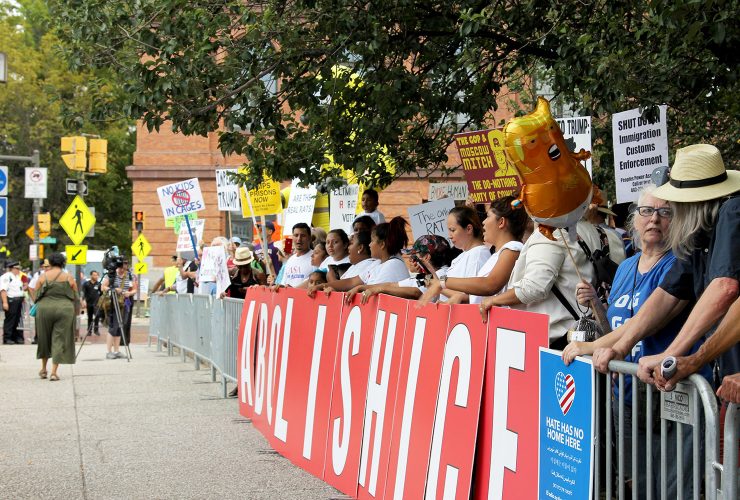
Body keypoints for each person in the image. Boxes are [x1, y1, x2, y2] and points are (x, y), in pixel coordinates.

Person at [563, 187, 707, 498]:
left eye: (665, 212)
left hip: (666, 392)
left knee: (671, 487)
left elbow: (638, 325)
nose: (654, 219)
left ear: (677, 220)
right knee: (639, 484)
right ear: (634, 219)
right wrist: (595, 305)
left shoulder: (677, 266)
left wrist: (586, 348)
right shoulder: (627, 265)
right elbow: (612, 326)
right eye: (646, 211)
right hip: (626, 394)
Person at [589, 145, 739, 389]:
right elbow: (665, 297)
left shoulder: (732, 211)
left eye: (673, 205)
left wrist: (673, 354)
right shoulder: (698, 240)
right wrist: (620, 347)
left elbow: (725, 287)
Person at [479, 215, 593, 348]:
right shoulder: (578, 229)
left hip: (560, 337)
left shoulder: (547, 234)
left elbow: (533, 287)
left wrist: (493, 300)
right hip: (574, 331)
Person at [420, 195, 527, 306]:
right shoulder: (500, 253)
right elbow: (480, 295)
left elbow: (490, 285)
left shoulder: (513, 248)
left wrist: (443, 282)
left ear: (501, 222)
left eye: (488, 216)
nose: (484, 222)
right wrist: (460, 297)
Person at [353, 234, 452, 303]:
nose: (411, 260)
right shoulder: (427, 276)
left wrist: (380, 289)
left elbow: (416, 293)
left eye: (414, 256)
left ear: (426, 257)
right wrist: (362, 287)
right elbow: (395, 285)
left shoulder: (441, 274)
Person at [34, 253, 78, 381]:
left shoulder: (43, 276)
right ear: (63, 263)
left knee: (44, 338)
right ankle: (54, 372)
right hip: (64, 309)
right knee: (58, 338)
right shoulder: (68, 277)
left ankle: (43, 369)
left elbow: (36, 293)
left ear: (51, 263)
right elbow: (75, 294)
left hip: (44, 309)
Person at [342, 217, 411, 299]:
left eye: (372, 241)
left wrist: (359, 288)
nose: (369, 245)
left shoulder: (393, 265)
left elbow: (374, 295)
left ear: (382, 244)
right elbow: (352, 281)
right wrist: (325, 285)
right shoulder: (377, 263)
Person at [101, 259, 137, 359]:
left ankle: (117, 351)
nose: (122, 269)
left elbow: (134, 289)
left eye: (124, 267)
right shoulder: (111, 276)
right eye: (120, 267)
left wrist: (129, 293)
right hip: (114, 302)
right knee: (113, 326)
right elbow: (103, 287)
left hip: (126, 303)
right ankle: (109, 351)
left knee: (121, 325)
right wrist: (114, 289)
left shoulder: (130, 275)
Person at [274, 223, 315, 287]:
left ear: (309, 238)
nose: (299, 239)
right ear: (292, 237)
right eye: (296, 235)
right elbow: (284, 283)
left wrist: (295, 291)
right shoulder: (290, 260)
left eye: (303, 235)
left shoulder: (315, 257)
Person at [1, 261, 26, 345]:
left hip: (18, 300)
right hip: (11, 300)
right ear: (12, 268)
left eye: (19, 268)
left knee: (17, 320)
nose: (19, 270)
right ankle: (7, 337)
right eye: (17, 268)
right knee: (10, 320)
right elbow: (3, 290)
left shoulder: (17, 276)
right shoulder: (6, 277)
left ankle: (15, 337)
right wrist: (5, 302)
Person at [81, 270, 103, 336]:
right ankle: (89, 330)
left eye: (97, 275)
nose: (96, 276)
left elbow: (101, 293)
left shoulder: (99, 284)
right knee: (90, 317)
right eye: (94, 275)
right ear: (91, 275)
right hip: (89, 303)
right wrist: (83, 300)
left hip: (96, 303)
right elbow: (83, 293)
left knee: (97, 315)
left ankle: (96, 330)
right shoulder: (86, 284)